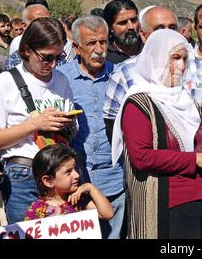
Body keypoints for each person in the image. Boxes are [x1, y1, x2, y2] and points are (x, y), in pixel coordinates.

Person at [113, 29, 202, 239]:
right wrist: (196, 159)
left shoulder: (188, 100)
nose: (181, 66)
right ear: (156, 59)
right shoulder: (139, 103)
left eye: (184, 59)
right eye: (174, 58)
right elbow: (142, 157)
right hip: (169, 204)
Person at [0, 17, 75, 224]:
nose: (52, 65)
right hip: (22, 175)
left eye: (58, 58)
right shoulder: (5, 82)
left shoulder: (61, 81)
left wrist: (68, 125)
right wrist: (35, 124)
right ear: (26, 50)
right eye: (46, 58)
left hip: (59, 175)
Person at [58, 15, 125, 239]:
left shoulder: (120, 76)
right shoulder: (61, 79)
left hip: (114, 181)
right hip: (73, 185)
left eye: (103, 42)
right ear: (76, 47)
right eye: (91, 43)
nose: (99, 49)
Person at [103, 6, 202, 137]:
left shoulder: (196, 69)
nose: (167, 34)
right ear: (143, 35)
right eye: (159, 29)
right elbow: (112, 119)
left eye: (172, 28)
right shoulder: (125, 73)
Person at [25, 144, 113, 221]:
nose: (77, 175)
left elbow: (108, 214)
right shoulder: (36, 211)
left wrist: (90, 187)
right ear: (48, 181)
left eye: (75, 169)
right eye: (68, 172)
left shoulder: (78, 201)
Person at [103, 0, 143, 64]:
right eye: (123, 23)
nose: (131, 27)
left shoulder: (149, 48)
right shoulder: (104, 56)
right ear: (110, 27)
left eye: (134, 20)